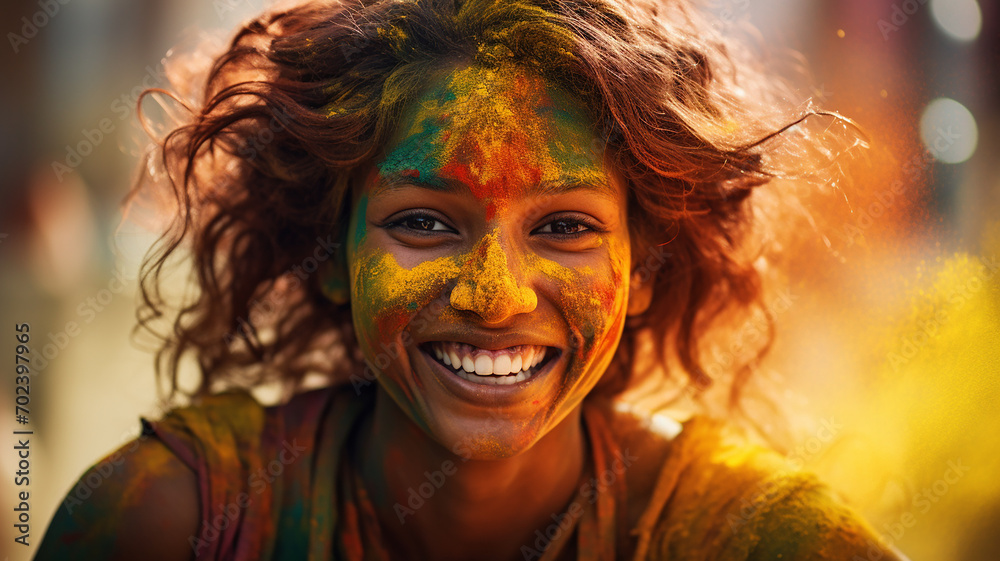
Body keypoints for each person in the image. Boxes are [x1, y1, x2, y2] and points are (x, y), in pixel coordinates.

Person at [36, 0, 909, 559]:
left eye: (564, 226)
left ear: (643, 268)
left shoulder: (753, 540)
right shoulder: (167, 522)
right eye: (423, 221)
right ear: (332, 252)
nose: (496, 296)